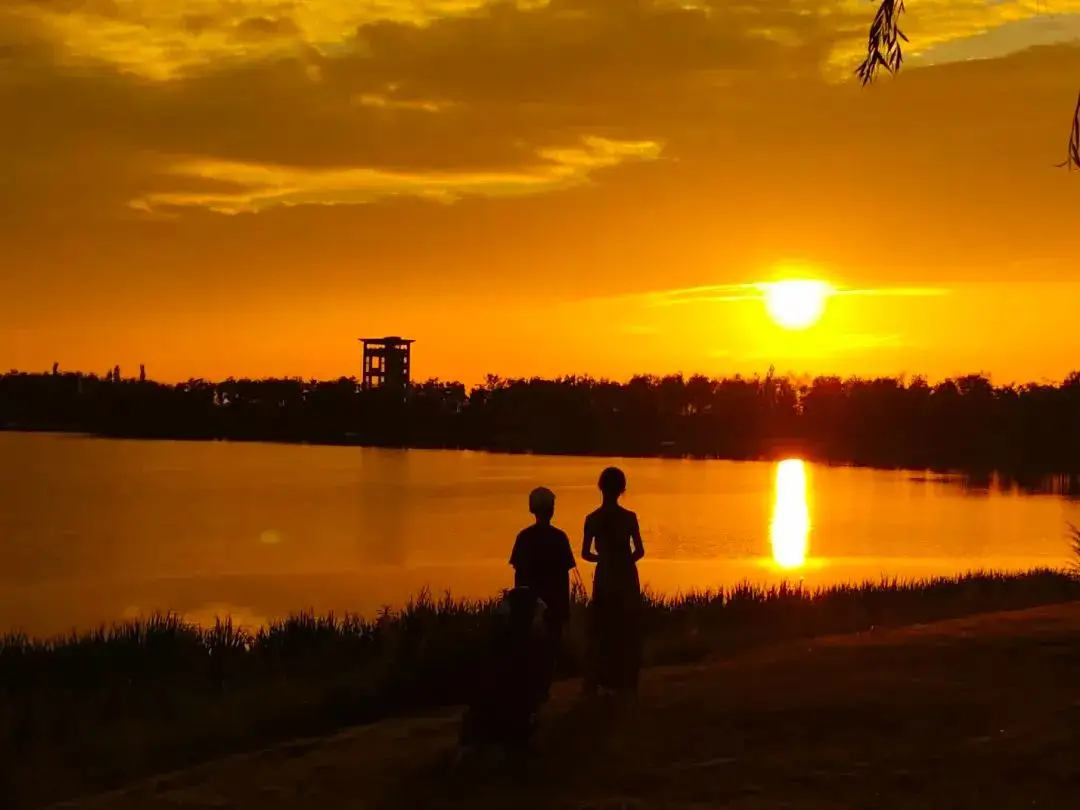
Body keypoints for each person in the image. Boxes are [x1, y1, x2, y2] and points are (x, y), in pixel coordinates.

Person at [581, 466, 645, 696]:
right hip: (626, 574)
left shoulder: (592, 519)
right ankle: (625, 678)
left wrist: (604, 559)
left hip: (605, 574)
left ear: (601, 487)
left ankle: (600, 677)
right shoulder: (629, 518)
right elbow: (640, 551)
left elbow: (585, 554)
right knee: (625, 625)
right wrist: (624, 560)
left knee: (603, 625)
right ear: (621, 489)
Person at [509, 486, 578, 671]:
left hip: (531, 602)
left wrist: (520, 605)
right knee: (551, 646)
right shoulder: (559, 537)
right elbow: (565, 577)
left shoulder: (523, 537)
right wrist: (565, 609)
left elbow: (519, 576)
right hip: (553, 602)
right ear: (551, 510)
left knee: (531, 648)